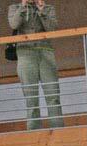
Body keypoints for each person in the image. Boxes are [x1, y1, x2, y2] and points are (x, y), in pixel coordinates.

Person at [8, 0, 63, 130]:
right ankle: (34, 132)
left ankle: (59, 131)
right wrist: (23, 7)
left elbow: (52, 29)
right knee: (31, 98)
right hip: (25, 54)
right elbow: (14, 24)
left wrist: (42, 10)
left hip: (46, 52)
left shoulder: (48, 8)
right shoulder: (14, 7)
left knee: (53, 95)